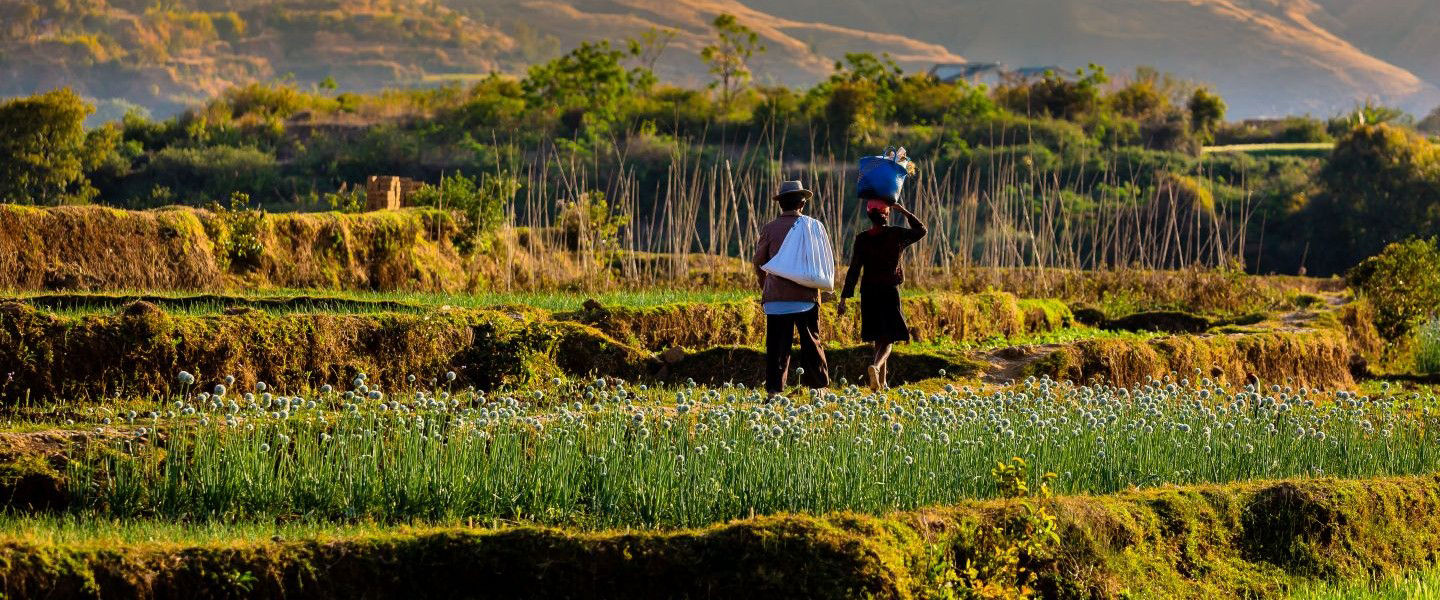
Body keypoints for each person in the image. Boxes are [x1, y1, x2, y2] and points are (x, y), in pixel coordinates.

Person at [752, 180, 831, 394]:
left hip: (776, 300)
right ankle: (819, 389)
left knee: (777, 348)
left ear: (781, 205)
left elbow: (758, 262)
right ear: (802, 204)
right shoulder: (813, 227)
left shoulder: (769, 228)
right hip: (806, 298)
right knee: (812, 343)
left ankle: (774, 392)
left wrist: (765, 286)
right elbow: (820, 262)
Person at [838, 199, 926, 391]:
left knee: (879, 336)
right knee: (889, 339)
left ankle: (882, 384)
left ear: (869, 216)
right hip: (888, 291)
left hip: (868, 292)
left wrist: (844, 297)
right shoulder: (896, 234)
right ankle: (876, 367)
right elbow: (921, 230)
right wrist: (903, 210)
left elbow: (854, 270)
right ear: (887, 214)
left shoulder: (862, 238)